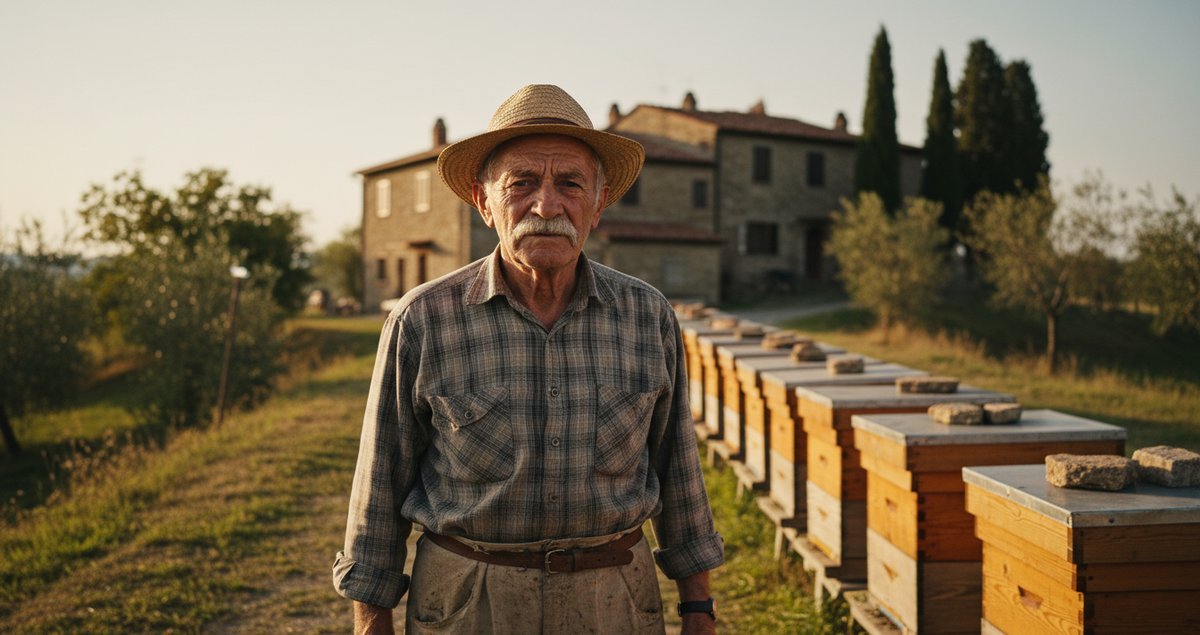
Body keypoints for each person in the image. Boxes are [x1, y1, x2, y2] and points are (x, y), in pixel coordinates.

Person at [333, 84, 723, 634]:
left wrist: (699, 608)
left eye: (569, 183)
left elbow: (679, 471)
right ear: (483, 201)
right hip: (468, 601)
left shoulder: (646, 316)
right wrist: (371, 622)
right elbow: (379, 486)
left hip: (615, 600)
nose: (546, 205)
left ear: (599, 203)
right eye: (521, 184)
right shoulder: (423, 319)